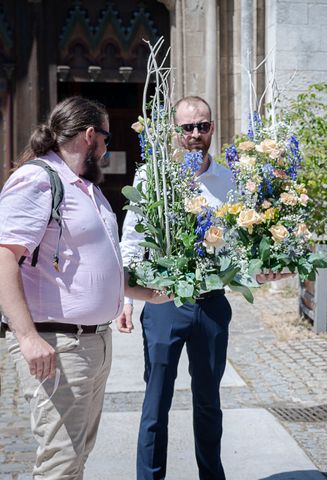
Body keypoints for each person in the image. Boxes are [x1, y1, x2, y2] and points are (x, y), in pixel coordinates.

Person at [0, 96, 169, 479]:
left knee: (76, 458)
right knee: (60, 463)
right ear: (90, 136)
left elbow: (96, 267)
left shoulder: (85, 189)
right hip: (58, 344)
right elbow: (4, 258)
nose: (108, 151)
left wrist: (148, 293)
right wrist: (26, 337)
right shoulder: (39, 179)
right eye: (107, 140)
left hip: (94, 343)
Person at [119, 96, 284, 480]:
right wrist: (126, 298)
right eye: (187, 127)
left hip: (212, 305)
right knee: (156, 402)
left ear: (212, 127)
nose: (195, 134)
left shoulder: (229, 181)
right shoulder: (153, 177)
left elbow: (240, 246)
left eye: (203, 126)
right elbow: (133, 238)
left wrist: (261, 273)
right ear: (175, 131)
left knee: (209, 402)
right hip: (163, 302)